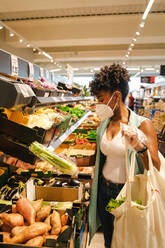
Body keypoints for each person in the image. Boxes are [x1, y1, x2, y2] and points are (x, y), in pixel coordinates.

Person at [88, 64, 160, 248]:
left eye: (101, 99)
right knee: (109, 239)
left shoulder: (143, 125)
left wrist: (138, 145)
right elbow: (96, 158)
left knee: (127, 240)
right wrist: (70, 162)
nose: (98, 105)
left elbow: (156, 166)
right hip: (104, 190)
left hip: (127, 193)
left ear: (117, 96)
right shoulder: (104, 124)